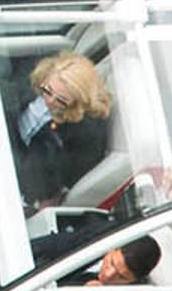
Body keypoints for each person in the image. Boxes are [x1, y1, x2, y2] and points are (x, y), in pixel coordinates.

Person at [11, 52, 120, 212]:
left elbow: (53, 182)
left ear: (77, 102)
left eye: (61, 100)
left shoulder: (86, 135)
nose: (49, 101)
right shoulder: (30, 72)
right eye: (47, 91)